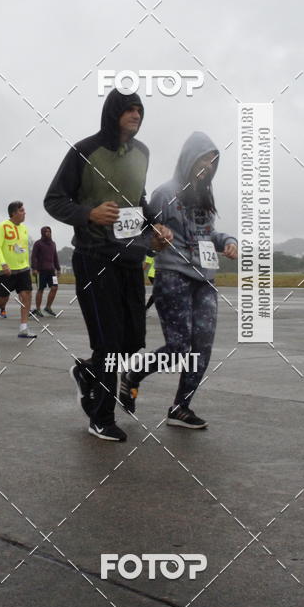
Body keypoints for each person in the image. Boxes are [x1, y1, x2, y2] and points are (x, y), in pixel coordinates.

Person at [44, 90, 172, 442]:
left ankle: (87, 372)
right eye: (129, 109)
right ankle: (101, 416)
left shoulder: (142, 153)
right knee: (109, 342)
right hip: (94, 257)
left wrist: (155, 227)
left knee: (131, 342)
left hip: (131, 258)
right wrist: (89, 214)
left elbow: (138, 202)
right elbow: (54, 200)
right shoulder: (84, 151)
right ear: (113, 112)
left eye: (139, 110)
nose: (135, 115)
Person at [119, 132, 238, 429]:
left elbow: (209, 233)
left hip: (205, 279)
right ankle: (134, 373)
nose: (208, 165)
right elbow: (138, 230)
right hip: (173, 276)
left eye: (213, 161)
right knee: (178, 347)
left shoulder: (204, 197)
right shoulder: (164, 193)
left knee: (203, 346)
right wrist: (155, 237)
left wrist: (229, 241)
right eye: (203, 158)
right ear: (189, 159)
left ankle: (180, 407)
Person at [0, 201, 37, 339]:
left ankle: (23, 328)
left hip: (23, 268)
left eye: (24, 210)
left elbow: (22, 248)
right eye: (22, 210)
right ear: (14, 213)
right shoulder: (3, 226)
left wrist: (27, 265)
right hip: (7, 270)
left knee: (27, 295)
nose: (24, 213)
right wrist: (4, 263)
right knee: (3, 299)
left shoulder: (24, 228)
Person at [31, 226, 61, 317]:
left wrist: (58, 268)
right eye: (46, 231)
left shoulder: (53, 243)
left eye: (49, 231)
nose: (48, 233)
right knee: (40, 289)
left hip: (51, 271)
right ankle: (38, 309)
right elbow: (33, 256)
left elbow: (55, 257)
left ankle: (48, 307)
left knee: (55, 287)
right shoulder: (38, 243)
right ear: (42, 233)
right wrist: (34, 268)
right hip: (41, 271)